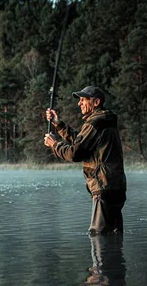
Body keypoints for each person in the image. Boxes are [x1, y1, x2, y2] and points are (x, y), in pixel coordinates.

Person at [44, 85, 127, 235]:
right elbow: (82, 141)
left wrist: (54, 145)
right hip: (115, 186)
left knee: (98, 236)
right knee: (114, 236)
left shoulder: (95, 122)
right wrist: (58, 124)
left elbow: (75, 153)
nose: (79, 103)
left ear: (96, 102)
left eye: (83, 99)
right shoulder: (104, 120)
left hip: (103, 186)